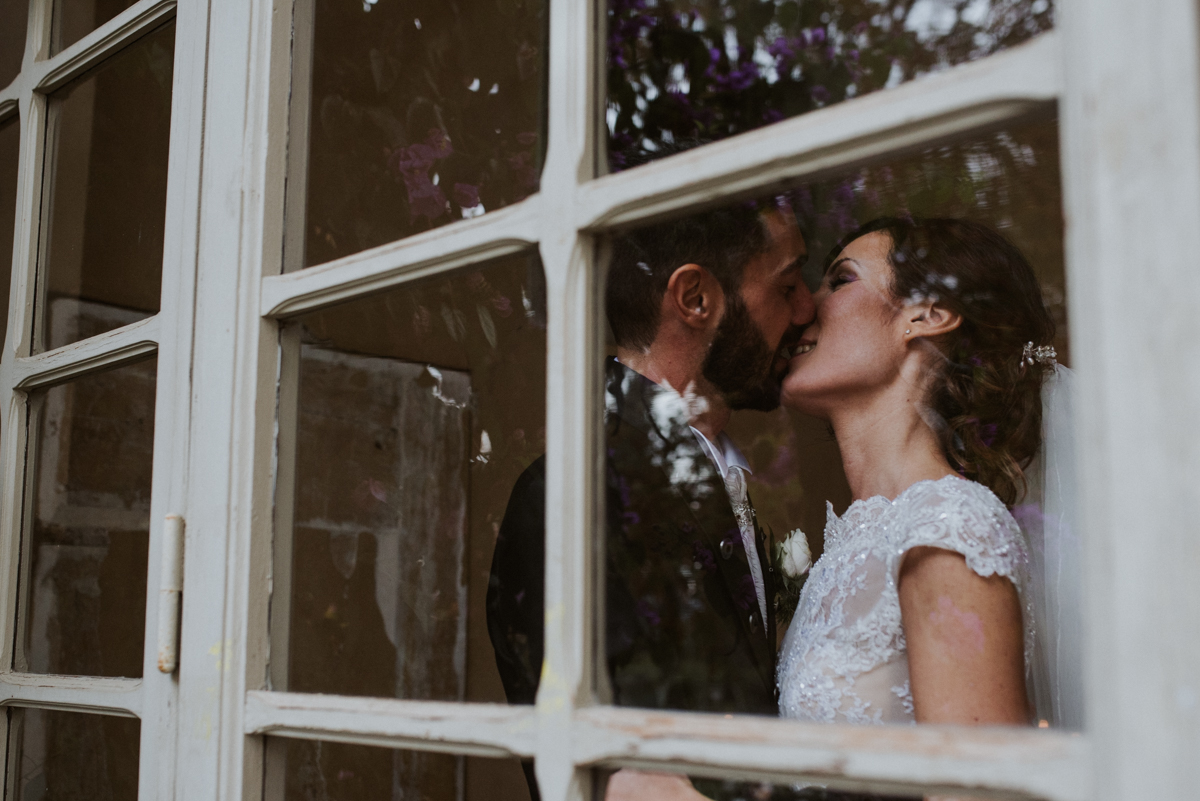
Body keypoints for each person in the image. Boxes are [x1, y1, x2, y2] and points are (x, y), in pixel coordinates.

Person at [487, 198, 815, 799]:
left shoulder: (715, 471)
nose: (806, 308)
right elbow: (614, 779)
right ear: (694, 299)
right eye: (787, 284)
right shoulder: (574, 496)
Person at [776, 217, 1056, 731]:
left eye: (840, 280)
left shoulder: (949, 529)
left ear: (927, 315)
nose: (801, 311)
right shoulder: (861, 538)